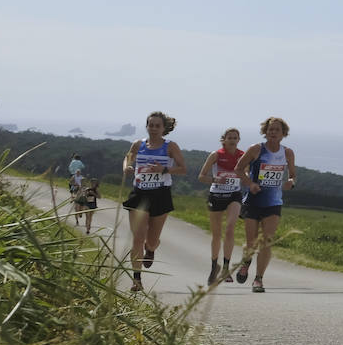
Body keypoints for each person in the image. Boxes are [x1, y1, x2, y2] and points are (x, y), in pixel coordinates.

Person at [121, 112, 189, 292]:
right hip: (139, 193)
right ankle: (137, 279)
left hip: (160, 194)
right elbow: (128, 157)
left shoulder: (170, 147)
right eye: (150, 125)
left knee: (151, 240)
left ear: (164, 128)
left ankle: (150, 249)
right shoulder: (138, 144)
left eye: (157, 126)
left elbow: (183, 169)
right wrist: (127, 166)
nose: (153, 128)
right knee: (137, 238)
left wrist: (164, 169)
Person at [232, 117, 296, 294]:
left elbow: (292, 175)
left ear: (283, 134)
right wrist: (249, 183)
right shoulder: (256, 149)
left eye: (277, 130)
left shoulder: (288, 153)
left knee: (267, 241)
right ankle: (246, 262)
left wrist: (291, 181)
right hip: (253, 200)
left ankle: (258, 279)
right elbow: (238, 169)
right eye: (270, 130)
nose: (273, 133)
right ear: (265, 132)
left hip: (273, 202)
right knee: (251, 242)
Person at [199, 128, 246, 285]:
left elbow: (247, 175)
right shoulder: (216, 155)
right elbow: (201, 177)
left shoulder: (242, 156)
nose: (232, 140)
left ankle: (226, 268)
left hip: (234, 195)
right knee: (216, 234)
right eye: (229, 137)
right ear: (224, 140)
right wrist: (216, 180)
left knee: (230, 228)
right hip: (217, 195)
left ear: (239, 140)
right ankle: (214, 266)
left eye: (235, 137)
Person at [68, 155, 86, 225]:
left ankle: (72, 197)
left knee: (71, 187)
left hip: (72, 174)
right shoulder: (80, 162)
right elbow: (83, 167)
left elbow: (69, 168)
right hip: (78, 178)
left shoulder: (72, 161)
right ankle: (75, 198)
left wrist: (72, 171)